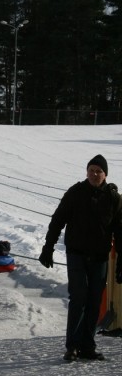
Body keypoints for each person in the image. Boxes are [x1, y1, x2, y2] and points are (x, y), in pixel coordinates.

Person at [39, 154, 122, 362]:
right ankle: (73, 346)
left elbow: (120, 231)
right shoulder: (75, 193)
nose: (94, 174)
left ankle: (88, 345)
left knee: (94, 300)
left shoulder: (113, 198)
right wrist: (48, 247)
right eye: (91, 170)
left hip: (100, 257)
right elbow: (57, 220)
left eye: (99, 171)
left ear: (105, 175)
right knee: (79, 298)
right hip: (77, 254)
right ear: (87, 172)